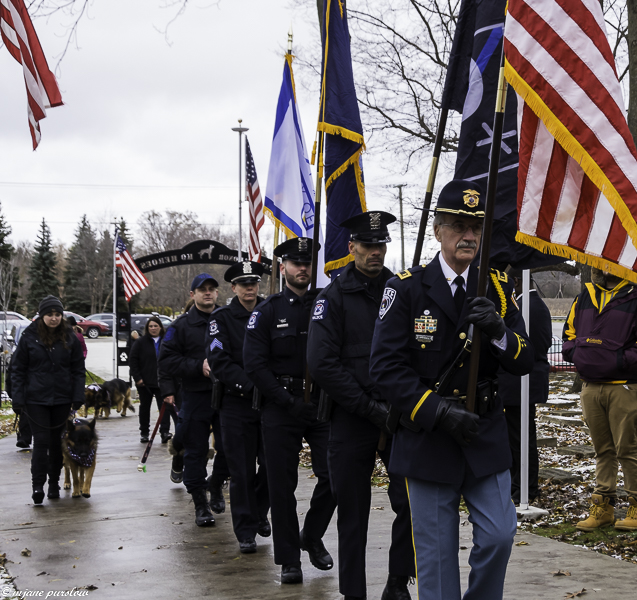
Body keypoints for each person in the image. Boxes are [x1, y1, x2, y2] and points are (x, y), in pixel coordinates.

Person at [369, 180, 534, 600]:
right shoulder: (405, 288)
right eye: (459, 226)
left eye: (476, 228)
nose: (469, 236)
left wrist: (498, 332)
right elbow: (386, 369)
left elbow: (524, 358)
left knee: (499, 535)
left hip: (483, 431)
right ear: (438, 230)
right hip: (429, 437)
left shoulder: (497, 287)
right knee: (437, 561)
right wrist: (438, 412)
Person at [308, 211, 414, 600]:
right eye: (368, 245)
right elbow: (322, 365)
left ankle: (398, 582)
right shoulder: (332, 298)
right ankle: (355, 594)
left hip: (399, 418)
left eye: (381, 244)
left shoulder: (401, 289)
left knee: (410, 504)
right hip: (352, 420)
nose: (375, 252)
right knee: (353, 516)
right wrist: (370, 409)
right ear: (351, 247)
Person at [244, 237, 336, 585]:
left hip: (322, 405)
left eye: (308, 263)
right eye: (296, 263)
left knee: (335, 477)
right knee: (281, 485)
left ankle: (311, 535)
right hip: (280, 407)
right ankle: (288, 559)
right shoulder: (266, 312)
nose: (303, 268)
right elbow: (254, 364)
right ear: (282, 268)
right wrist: (286, 400)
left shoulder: (327, 305)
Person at [563, 267, 637, 531]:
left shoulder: (634, 294)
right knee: (602, 450)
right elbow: (568, 336)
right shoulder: (585, 295)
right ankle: (603, 507)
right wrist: (581, 356)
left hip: (624, 387)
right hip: (591, 387)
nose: (607, 265)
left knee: (628, 449)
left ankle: (635, 506)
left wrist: (617, 361)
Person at [207, 260, 270, 555]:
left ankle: (259, 510)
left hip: (270, 403)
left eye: (254, 283)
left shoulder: (270, 311)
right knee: (242, 472)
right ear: (234, 288)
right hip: (237, 403)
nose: (250, 289)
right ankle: (246, 530)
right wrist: (252, 383)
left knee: (272, 467)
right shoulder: (221, 318)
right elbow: (220, 361)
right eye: (244, 284)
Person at [158, 274, 229, 527]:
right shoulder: (181, 326)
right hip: (196, 396)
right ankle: (200, 504)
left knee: (229, 447)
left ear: (217, 293)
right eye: (202, 290)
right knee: (195, 451)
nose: (208, 293)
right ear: (193, 295)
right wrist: (198, 366)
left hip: (229, 395)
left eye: (212, 289)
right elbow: (166, 361)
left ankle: (217, 484)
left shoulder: (228, 318)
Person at [10, 295, 85, 504]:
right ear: (42, 316)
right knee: (41, 442)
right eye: (50, 314)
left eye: (57, 314)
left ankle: (54, 483)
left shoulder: (70, 338)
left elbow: (78, 370)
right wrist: (18, 398)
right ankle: (37, 486)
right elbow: (17, 370)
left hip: (62, 398)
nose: (54, 318)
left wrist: (78, 395)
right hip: (36, 399)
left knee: (55, 442)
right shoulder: (29, 337)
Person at [498, 271, 552, 504]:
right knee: (517, 438)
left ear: (517, 281)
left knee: (522, 439)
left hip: (522, 382)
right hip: (516, 384)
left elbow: (533, 346)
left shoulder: (529, 307)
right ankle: (520, 484)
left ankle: (525, 487)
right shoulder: (526, 304)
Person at [130, 316, 172, 444]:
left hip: (162, 381)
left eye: (156, 326)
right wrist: (137, 378)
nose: (153, 329)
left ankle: (164, 432)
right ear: (147, 328)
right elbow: (133, 360)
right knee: (144, 408)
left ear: (161, 327)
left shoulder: (167, 341)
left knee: (164, 408)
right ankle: (144, 432)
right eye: (151, 326)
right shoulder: (140, 342)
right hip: (145, 382)